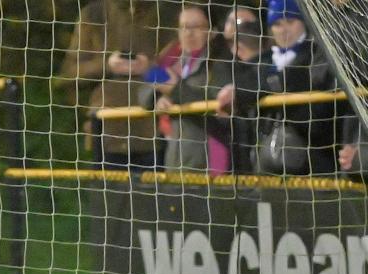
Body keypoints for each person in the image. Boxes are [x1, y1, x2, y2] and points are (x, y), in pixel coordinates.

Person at [226, 0, 346, 175]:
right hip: (264, 159)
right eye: (277, 24)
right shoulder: (265, 60)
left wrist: (263, 88)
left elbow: (301, 83)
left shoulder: (318, 55)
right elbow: (243, 84)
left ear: (304, 22)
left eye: (290, 22)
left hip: (312, 160)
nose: (284, 30)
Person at [57, 0, 177, 171]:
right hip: (107, 133)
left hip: (156, 135)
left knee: (154, 195)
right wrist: (107, 65)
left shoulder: (168, 13)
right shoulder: (93, 14)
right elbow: (68, 75)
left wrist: (147, 68)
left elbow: (181, 76)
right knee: (109, 195)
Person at [140, 4, 232, 175]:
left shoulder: (220, 63)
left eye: (196, 27)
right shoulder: (172, 60)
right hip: (175, 159)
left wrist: (175, 89)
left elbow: (215, 107)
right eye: (183, 27)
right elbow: (145, 85)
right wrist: (157, 97)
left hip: (208, 161)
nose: (188, 33)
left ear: (211, 32)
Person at [214, 8, 267, 174]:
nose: (238, 29)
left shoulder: (270, 62)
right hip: (232, 153)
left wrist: (240, 90)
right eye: (232, 23)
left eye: (243, 24)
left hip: (266, 153)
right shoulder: (219, 64)